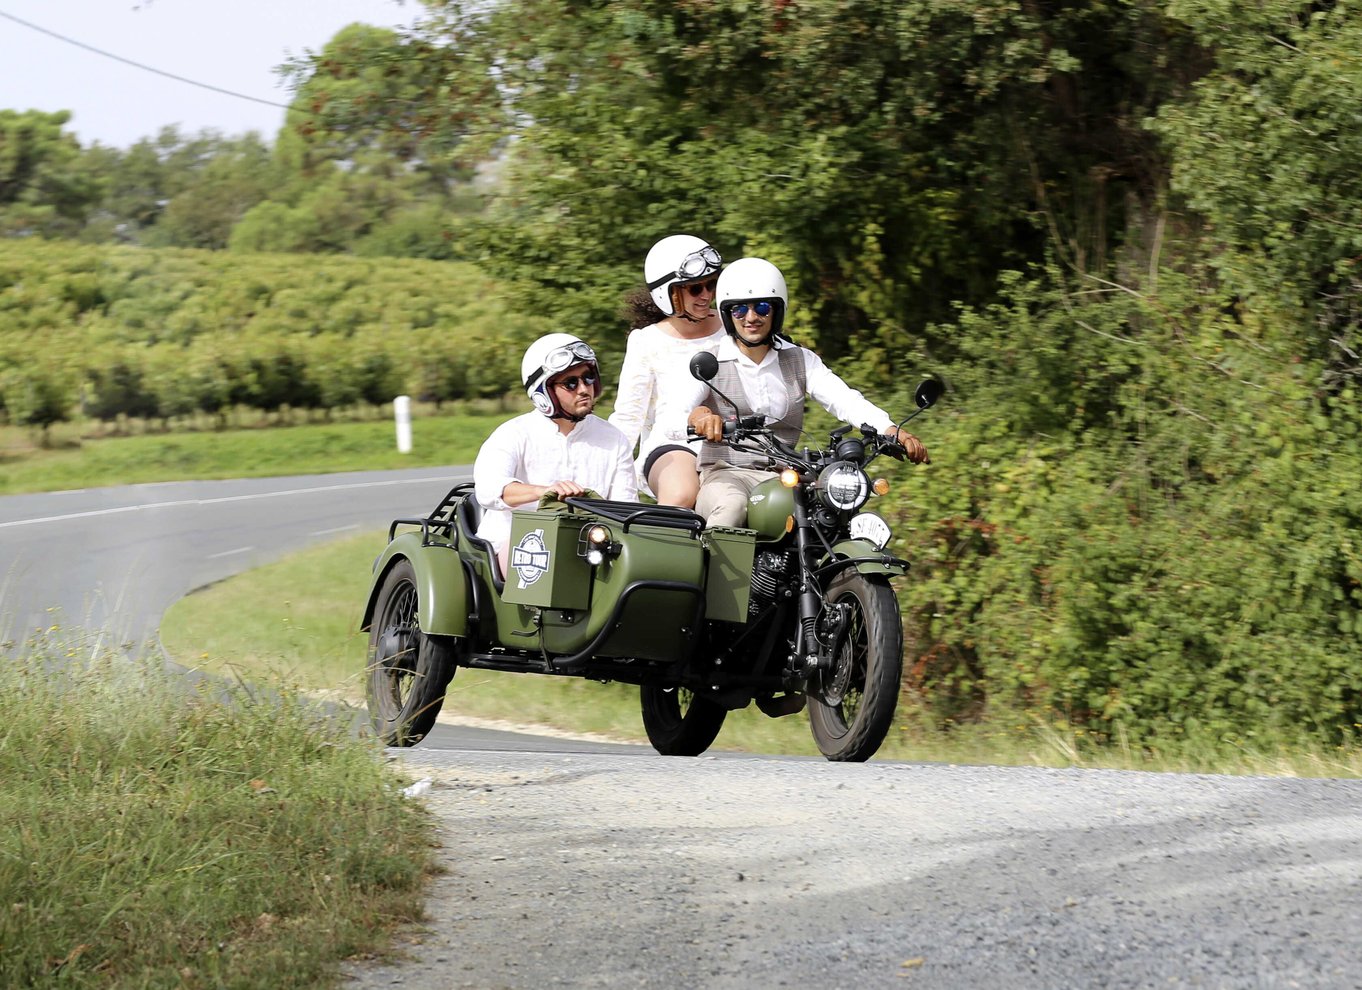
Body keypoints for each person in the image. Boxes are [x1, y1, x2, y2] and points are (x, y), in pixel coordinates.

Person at [673, 257, 929, 529]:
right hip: (727, 474)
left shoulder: (800, 359)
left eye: (762, 307)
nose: (751, 318)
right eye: (739, 310)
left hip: (786, 475)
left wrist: (890, 429)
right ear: (727, 313)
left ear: (776, 311)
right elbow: (674, 411)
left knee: (832, 519)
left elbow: (844, 399)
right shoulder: (710, 363)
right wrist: (699, 416)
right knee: (731, 507)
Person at [474, 333, 638, 574]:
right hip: (517, 544)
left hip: (591, 547)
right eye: (571, 383)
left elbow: (625, 507)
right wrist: (545, 492)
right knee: (540, 551)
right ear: (543, 392)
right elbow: (490, 491)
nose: (584, 389)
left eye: (588, 378)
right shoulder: (513, 433)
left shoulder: (614, 438)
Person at [608, 234, 726, 508]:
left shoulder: (735, 325)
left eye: (711, 284)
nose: (707, 295)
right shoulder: (646, 341)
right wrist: (607, 474)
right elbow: (629, 417)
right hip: (675, 447)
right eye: (695, 288)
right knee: (681, 493)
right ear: (669, 292)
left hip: (734, 445)